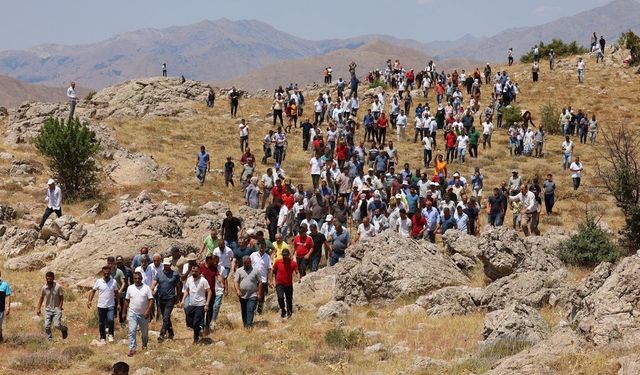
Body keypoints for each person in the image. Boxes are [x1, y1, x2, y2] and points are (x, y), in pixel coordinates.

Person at [123, 271, 154, 356]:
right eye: (135, 278)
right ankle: (132, 348)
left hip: (144, 314)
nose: (137, 280)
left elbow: (151, 300)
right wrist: (124, 312)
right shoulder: (130, 288)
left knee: (144, 332)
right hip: (133, 313)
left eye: (139, 278)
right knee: (132, 330)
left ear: (142, 279)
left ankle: (144, 345)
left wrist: (148, 311)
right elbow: (126, 300)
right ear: (133, 279)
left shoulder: (146, 288)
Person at [87, 265, 119, 344]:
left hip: (111, 305)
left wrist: (118, 304)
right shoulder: (98, 281)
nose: (106, 275)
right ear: (102, 273)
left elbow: (116, 293)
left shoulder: (113, 281)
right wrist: (89, 300)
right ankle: (102, 337)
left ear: (110, 272)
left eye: (108, 273)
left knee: (111, 320)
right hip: (101, 306)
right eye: (105, 273)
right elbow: (93, 291)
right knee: (101, 322)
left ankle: (111, 335)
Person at [180, 265, 211, 344]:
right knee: (189, 322)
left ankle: (196, 339)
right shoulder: (189, 280)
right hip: (191, 304)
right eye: (192, 271)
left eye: (195, 271)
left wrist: (207, 303)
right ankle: (198, 329)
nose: (194, 273)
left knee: (196, 322)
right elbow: (187, 290)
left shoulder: (203, 280)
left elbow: (209, 291)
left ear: (199, 271)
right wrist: (183, 300)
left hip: (200, 304)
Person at [152, 257, 180, 342]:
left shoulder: (175, 274)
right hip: (161, 298)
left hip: (170, 298)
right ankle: (171, 333)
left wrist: (178, 297)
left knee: (166, 316)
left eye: (168, 265)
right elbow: (154, 283)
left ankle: (162, 334)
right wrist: (151, 290)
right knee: (165, 317)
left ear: (170, 265)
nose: (166, 266)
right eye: (165, 265)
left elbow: (178, 286)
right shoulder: (159, 274)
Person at [37, 271, 68, 341]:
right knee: (46, 326)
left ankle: (64, 329)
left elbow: (61, 298)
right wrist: (38, 308)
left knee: (57, 325)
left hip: (56, 308)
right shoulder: (44, 288)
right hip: (48, 309)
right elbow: (41, 298)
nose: (49, 280)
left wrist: (60, 307)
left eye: (50, 279)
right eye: (47, 279)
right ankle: (50, 339)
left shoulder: (58, 287)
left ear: (53, 278)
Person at [234, 256, 263, 328]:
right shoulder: (239, 271)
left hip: (252, 294)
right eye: (245, 263)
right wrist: (237, 290)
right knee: (244, 311)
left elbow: (260, 282)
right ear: (243, 263)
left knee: (250, 309)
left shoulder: (255, 270)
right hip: (242, 295)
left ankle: (249, 325)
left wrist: (259, 293)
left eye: (248, 263)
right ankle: (245, 325)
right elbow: (236, 282)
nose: (246, 265)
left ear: (250, 262)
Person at [200, 254, 225, 333]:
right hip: (202, 293)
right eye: (213, 260)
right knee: (201, 310)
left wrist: (221, 283)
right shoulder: (201, 266)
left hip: (211, 292)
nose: (214, 262)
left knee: (210, 310)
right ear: (208, 260)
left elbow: (218, 276)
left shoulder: (214, 268)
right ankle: (200, 326)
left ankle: (207, 326)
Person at [272, 249, 299, 319]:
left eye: (285, 255)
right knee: (280, 298)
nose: (284, 257)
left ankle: (289, 313)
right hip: (279, 283)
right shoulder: (278, 262)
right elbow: (273, 270)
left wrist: (299, 278)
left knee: (289, 299)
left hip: (288, 284)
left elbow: (297, 271)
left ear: (289, 255)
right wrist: (273, 280)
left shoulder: (293, 263)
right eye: (283, 255)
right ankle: (283, 309)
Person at [250, 240, 272, 315]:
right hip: (254, 279)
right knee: (253, 296)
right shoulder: (253, 255)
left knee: (262, 297)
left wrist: (270, 280)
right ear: (258, 246)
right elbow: (249, 266)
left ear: (265, 247)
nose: (262, 247)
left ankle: (259, 311)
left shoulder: (267, 257)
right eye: (260, 245)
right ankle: (252, 310)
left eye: (263, 245)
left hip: (263, 280)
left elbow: (269, 269)